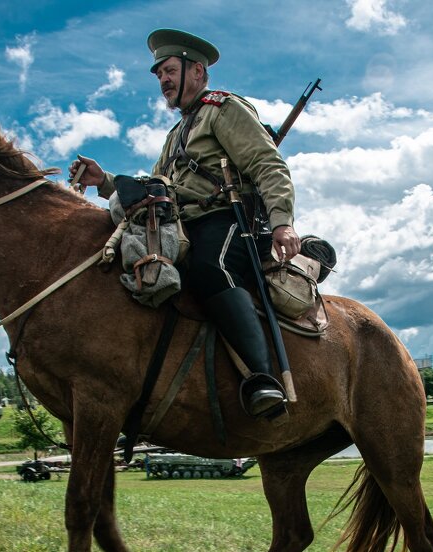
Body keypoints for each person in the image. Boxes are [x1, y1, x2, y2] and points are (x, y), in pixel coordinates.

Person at [69, 28, 299, 419]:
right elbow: (155, 188)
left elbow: (268, 164)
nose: (163, 80)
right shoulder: (176, 134)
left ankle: (262, 380)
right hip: (181, 226)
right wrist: (105, 181)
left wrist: (282, 222)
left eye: (170, 70)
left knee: (213, 268)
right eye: (159, 75)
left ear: (197, 71)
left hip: (226, 221)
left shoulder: (223, 109)